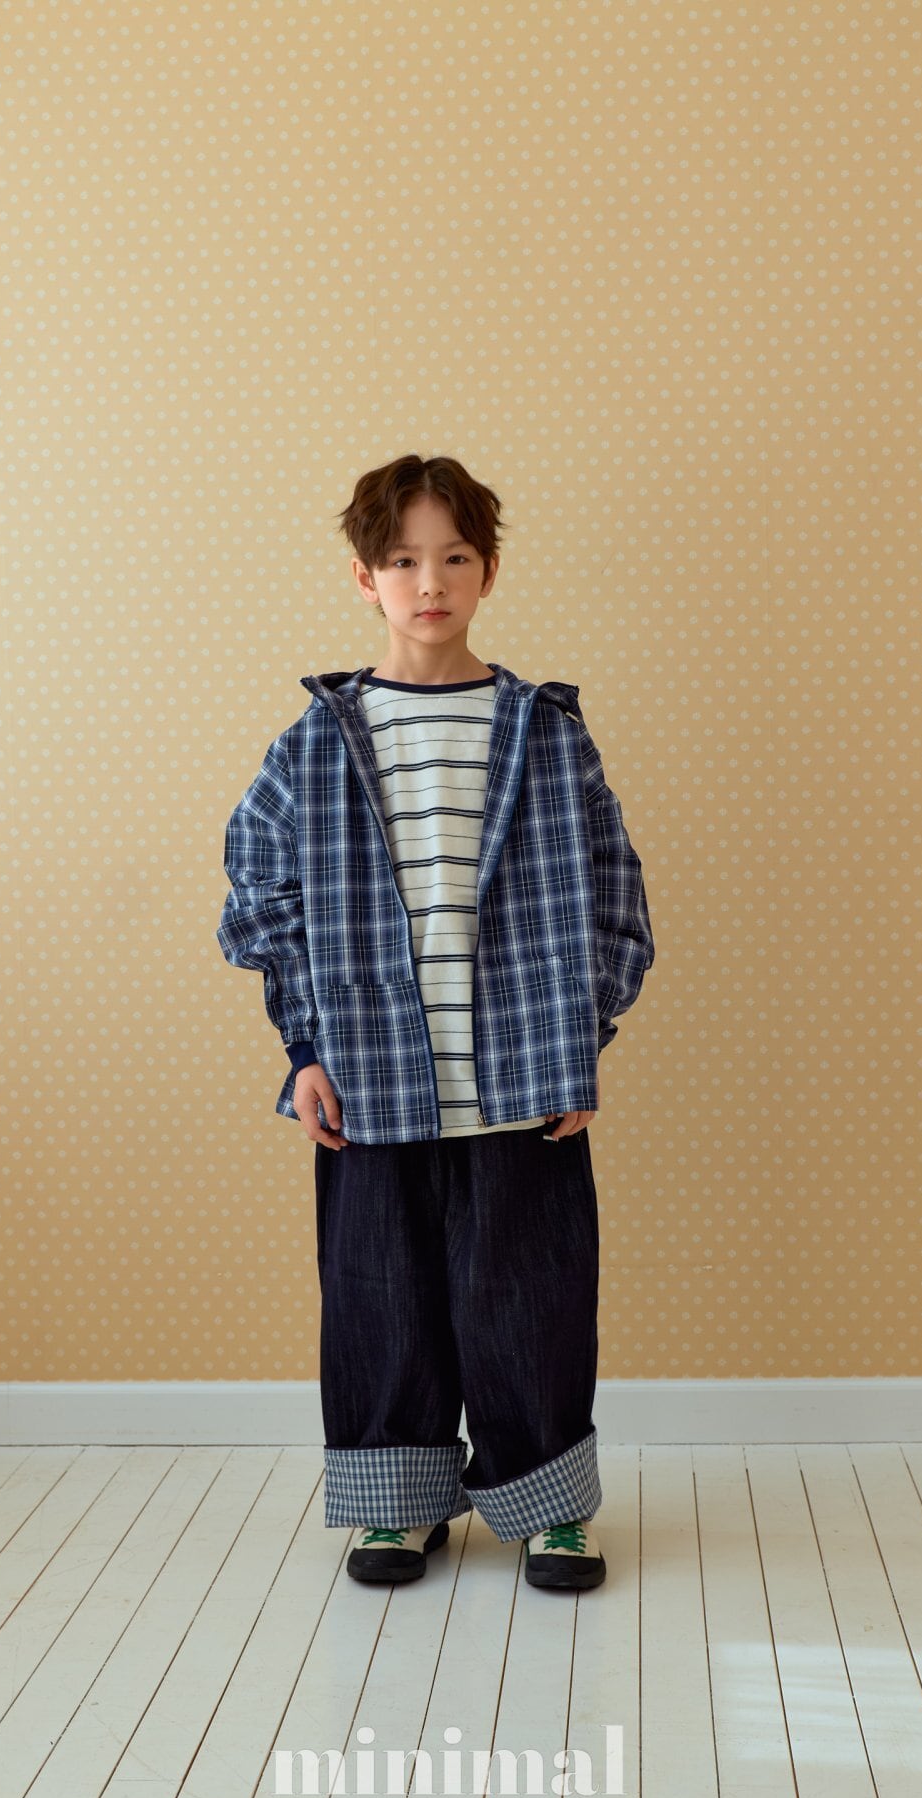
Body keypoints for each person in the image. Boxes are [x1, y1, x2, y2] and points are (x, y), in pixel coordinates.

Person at [216, 453, 654, 1592]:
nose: (430, 582)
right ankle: (397, 1506)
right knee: (379, 1296)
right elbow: (261, 895)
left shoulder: (543, 730)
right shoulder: (318, 741)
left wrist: (582, 1039)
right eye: (403, 560)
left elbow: (614, 894)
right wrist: (304, 1052)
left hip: (521, 1074)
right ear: (365, 577)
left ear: (487, 571)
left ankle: (549, 1508)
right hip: (370, 1078)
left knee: (533, 1297)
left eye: (454, 557)